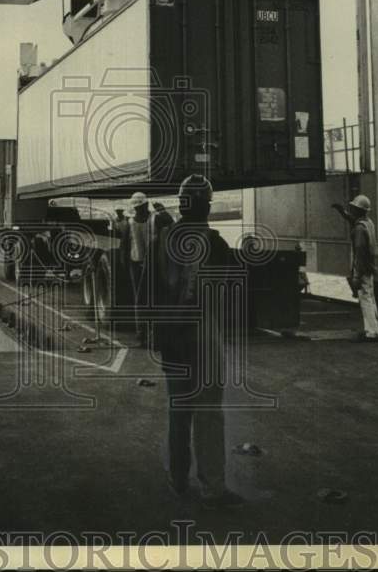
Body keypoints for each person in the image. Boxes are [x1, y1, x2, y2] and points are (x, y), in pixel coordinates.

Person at [152, 174, 243, 509]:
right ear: (207, 205)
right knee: (208, 411)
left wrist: (157, 332)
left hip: (171, 335)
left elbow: (147, 291)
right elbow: (231, 296)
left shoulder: (160, 240)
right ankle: (213, 486)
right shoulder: (216, 244)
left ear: (181, 204)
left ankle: (178, 479)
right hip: (204, 334)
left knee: (179, 409)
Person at [331, 194, 378, 342]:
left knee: (365, 299)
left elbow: (359, 251)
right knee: (371, 298)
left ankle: (371, 332)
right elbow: (355, 221)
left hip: (363, 267)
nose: (351, 210)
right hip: (370, 266)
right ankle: (376, 329)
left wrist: (356, 275)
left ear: (359, 210)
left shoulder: (360, 229)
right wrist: (343, 213)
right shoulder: (368, 223)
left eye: (353, 208)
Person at [123, 192, 152, 345]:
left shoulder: (131, 223)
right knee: (144, 299)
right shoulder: (150, 220)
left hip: (139, 264)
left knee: (141, 300)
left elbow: (124, 246)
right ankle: (143, 333)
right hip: (140, 264)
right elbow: (125, 246)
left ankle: (143, 334)